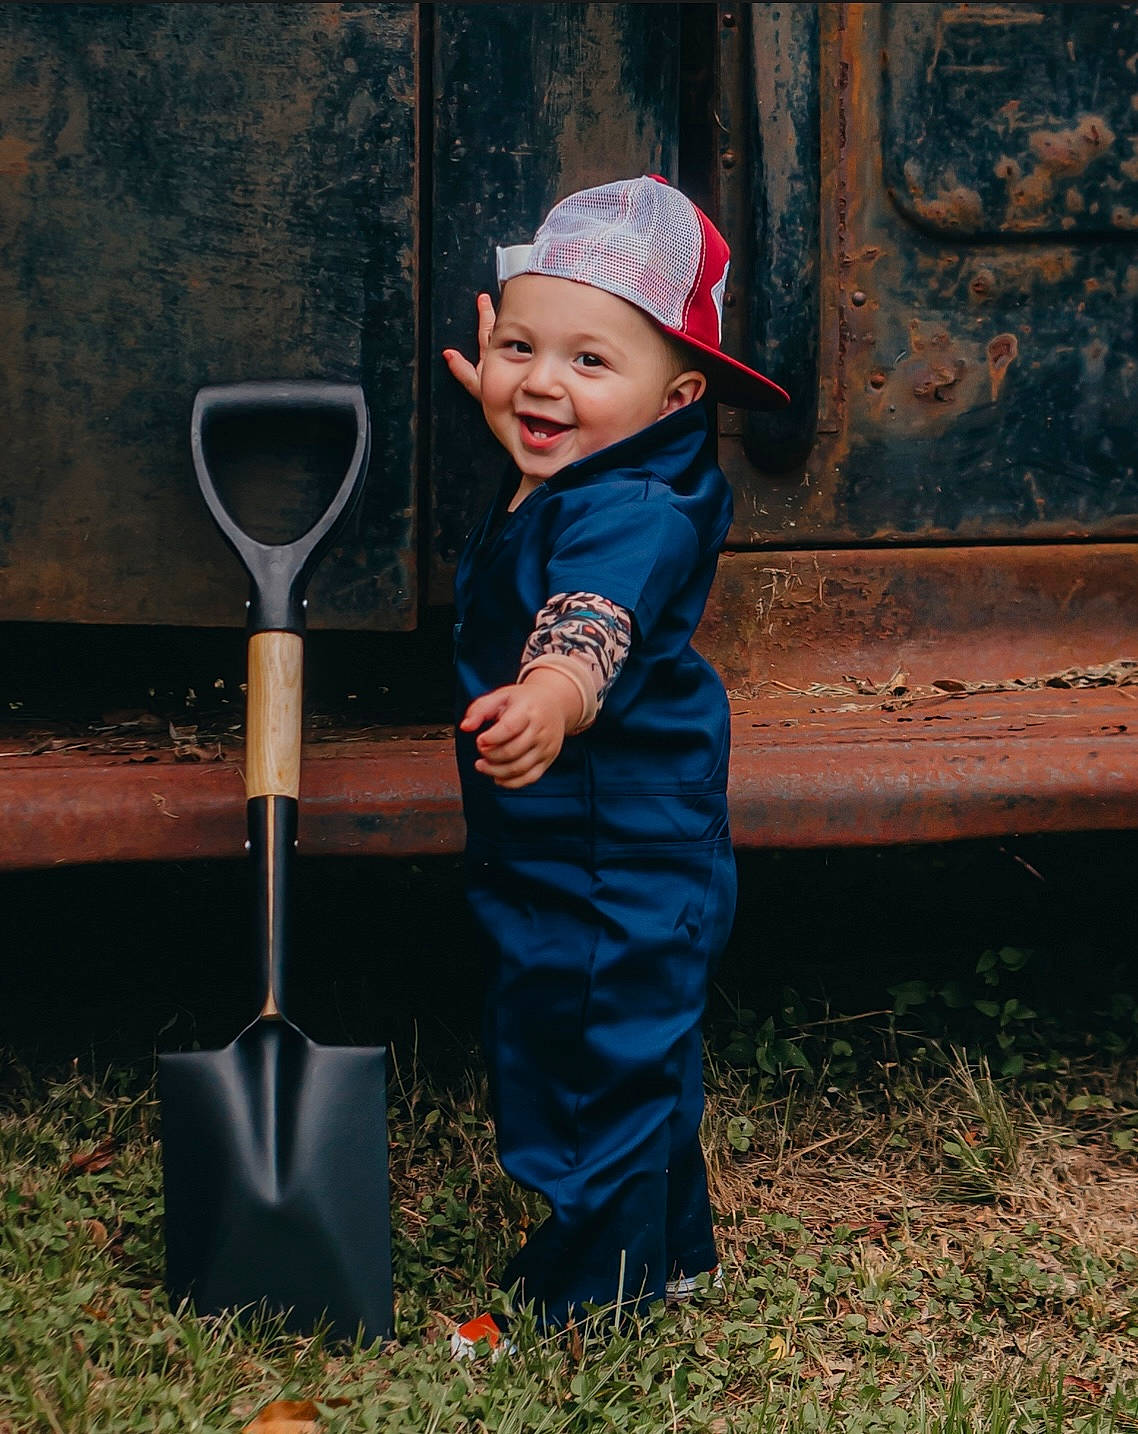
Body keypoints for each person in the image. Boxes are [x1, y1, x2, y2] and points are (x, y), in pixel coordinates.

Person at [441, 175, 789, 1354]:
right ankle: (664, 1257)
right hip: (610, 834)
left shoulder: (631, 509)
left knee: (582, 1064)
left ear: (677, 395)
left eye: (591, 363)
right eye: (522, 346)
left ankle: (579, 1299)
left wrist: (552, 689)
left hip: (609, 846)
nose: (544, 382)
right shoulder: (604, 457)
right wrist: (518, 400)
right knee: (631, 1051)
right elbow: (555, 436)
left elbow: (593, 614)